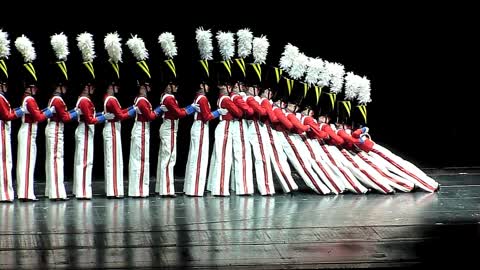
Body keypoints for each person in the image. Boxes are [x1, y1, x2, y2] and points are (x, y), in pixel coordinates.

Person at [183, 60, 227, 196]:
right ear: (201, 85)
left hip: (198, 126)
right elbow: (207, 116)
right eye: (206, 84)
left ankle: (190, 188)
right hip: (201, 127)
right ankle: (195, 190)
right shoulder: (202, 98)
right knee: (199, 158)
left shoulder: (198, 97)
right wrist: (218, 112)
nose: (208, 87)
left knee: (194, 156)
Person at [73, 62, 114, 199]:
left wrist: (101, 115)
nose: (94, 89)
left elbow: (90, 116)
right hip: (85, 131)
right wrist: (103, 118)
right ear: (87, 87)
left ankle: (82, 190)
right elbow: (90, 120)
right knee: (85, 161)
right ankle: (83, 192)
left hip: (86, 130)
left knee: (84, 160)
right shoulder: (84, 100)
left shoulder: (85, 100)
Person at [102, 60, 136, 198]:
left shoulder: (107, 98)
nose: (118, 88)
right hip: (112, 129)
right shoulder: (112, 99)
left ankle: (111, 189)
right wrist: (133, 112)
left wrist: (131, 108)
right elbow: (120, 115)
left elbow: (119, 111)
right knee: (114, 160)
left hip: (110, 128)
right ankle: (114, 191)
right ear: (111, 86)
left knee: (111, 159)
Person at [45, 61, 78, 200]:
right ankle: (56, 193)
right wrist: (76, 113)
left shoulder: (54, 98)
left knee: (52, 159)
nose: (66, 88)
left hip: (53, 128)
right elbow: (65, 118)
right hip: (56, 129)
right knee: (56, 159)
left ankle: (50, 190)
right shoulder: (58, 100)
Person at [0, 57, 25, 202]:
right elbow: (7, 115)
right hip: (1, 129)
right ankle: (4, 193)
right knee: (4, 161)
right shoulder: (0, 97)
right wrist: (20, 112)